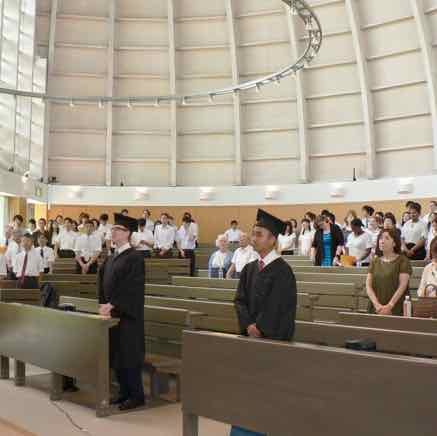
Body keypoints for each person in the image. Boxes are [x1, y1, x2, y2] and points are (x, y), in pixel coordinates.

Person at [233, 209, 297, 436]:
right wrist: (248, 325)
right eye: (253, 233)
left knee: (268, 396)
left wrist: (258, 328)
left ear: (272, 239)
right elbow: (239, 301)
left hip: (272, 342)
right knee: (248, 394)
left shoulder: (283, 271)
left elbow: (277, 307)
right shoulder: (250, 269)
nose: (254, 238)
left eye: (259, 234)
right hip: (251, 341)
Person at [98, 213, 145, 411]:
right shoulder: (111, 257)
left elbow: (132, 288)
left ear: (127, 234)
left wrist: (114, 305)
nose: (113, 232)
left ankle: (136, 395)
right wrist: (102, 304)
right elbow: (101, 283)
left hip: (128, 316)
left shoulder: (135, 258)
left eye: (117, 229)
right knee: (116, 355)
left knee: (128, 355)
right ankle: (123, 392)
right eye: (113, 229)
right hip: (111, 315)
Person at [366, 228, 412, 316]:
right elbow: (368, 286)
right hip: (376, 308)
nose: (382, 241)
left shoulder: (403, 260)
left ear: (394, 243)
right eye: (380, 238)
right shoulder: (375, 261)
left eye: (386, 238)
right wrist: (377, 306)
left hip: (396, 308)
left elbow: (402, 286)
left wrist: (390, 306)